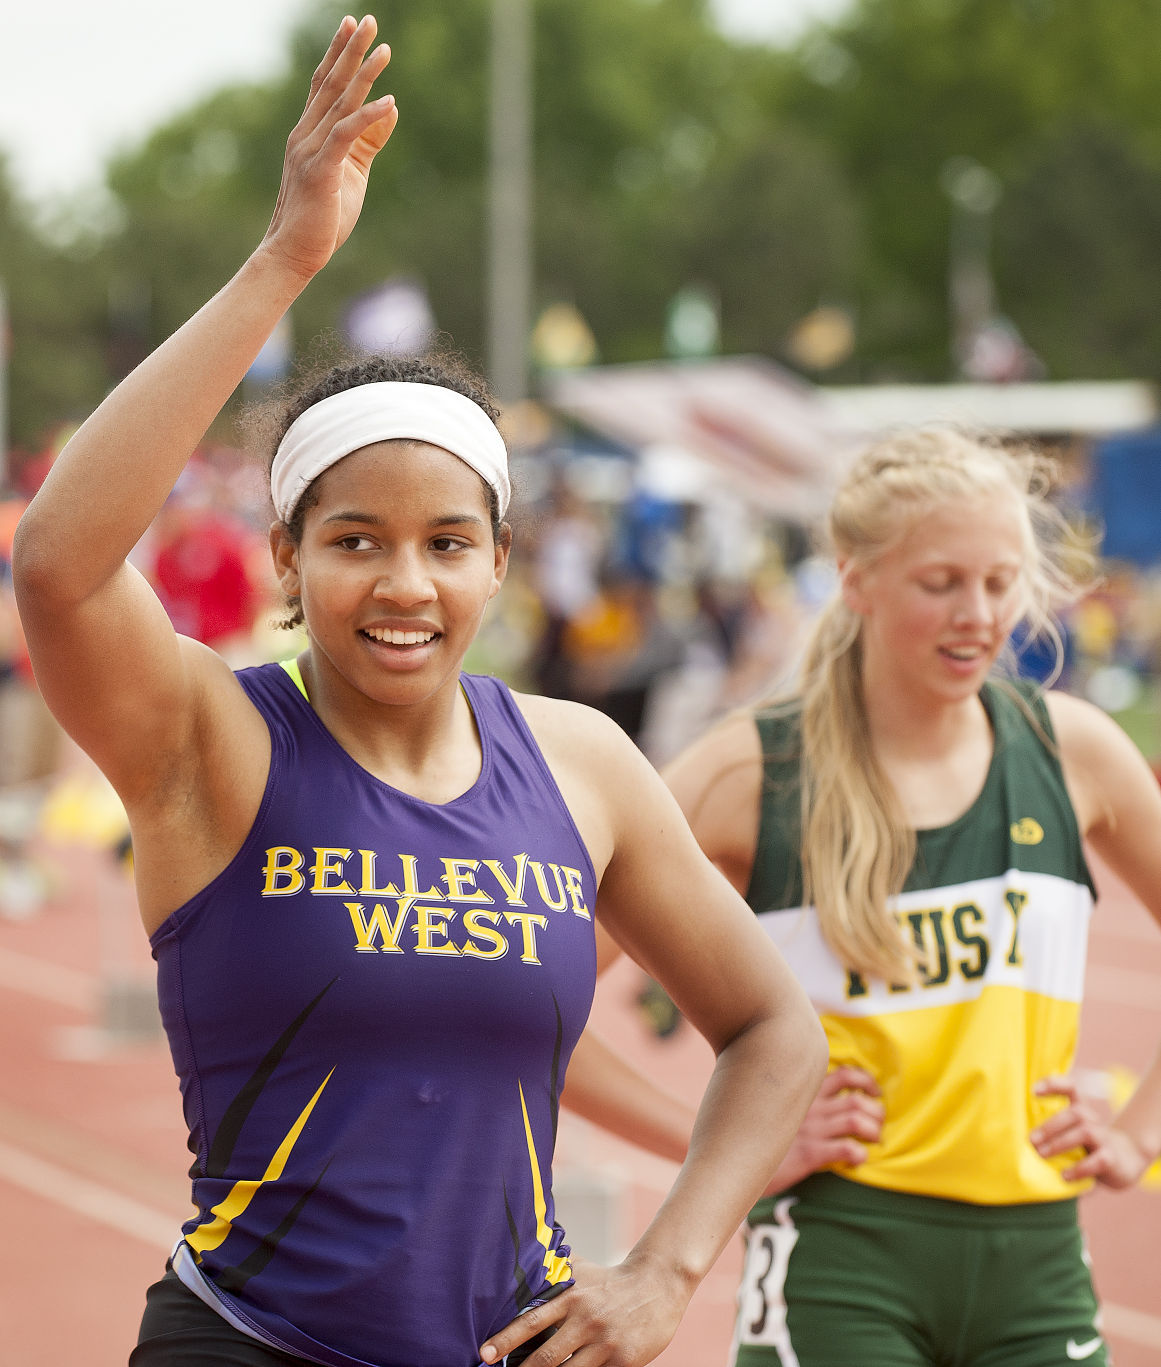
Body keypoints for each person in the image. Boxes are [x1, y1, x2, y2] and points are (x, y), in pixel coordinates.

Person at [12, 18, 826, 1367]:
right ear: (287, 554)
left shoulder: (579, 764)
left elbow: (769, 1026)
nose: (405, 581)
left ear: (499, 559)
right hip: (247, 1338)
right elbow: (57, 565)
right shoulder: (213, 742)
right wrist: (287, 261)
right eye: (354, 540)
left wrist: (664, 1267)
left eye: (447, 542)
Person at [660, 427, 1161, 1367]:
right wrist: (713, 1141)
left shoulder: (1073, 750)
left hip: (1039, 1255)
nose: (979, 614)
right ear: (854, 578)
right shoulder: (750, 770)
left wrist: (1135, 1139)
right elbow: (538, 979)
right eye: (941, 583)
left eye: (1000, 580)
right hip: (838, 1249)